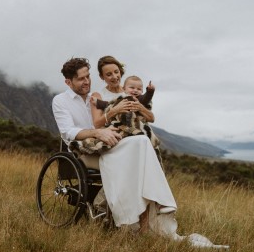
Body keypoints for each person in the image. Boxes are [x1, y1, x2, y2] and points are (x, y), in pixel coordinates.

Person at [52, 57, 176, 233]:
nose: (86, 81)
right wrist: (97, 132)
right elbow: (68, 132)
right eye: (81, 79)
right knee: (139, 146)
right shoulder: (60, 101)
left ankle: (144, 218)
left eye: (88, 76)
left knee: (141, 143)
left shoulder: (96, 97)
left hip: (110, 144)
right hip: (84, 152)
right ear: (68, 81)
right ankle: (129, 215)